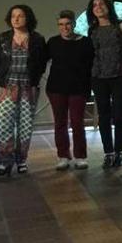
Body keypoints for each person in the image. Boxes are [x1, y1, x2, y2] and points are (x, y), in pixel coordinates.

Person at [0, 5, 47, 176]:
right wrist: (2, 78)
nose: (16, 19)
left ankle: (21, 160)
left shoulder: (37, 39)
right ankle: (5, 162)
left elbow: (42, 63)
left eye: (20, 16)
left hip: (28, 89)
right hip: (7, 88)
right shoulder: (2, 38)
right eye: (13, 16)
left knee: (25, 126)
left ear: (28, 18)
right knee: (5, 126)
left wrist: (34, 78)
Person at [87, 0, 122, 169]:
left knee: (119, 116)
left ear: (109, 6)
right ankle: (108, 153)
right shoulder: (92, 29)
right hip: (98, 77)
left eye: (101, 4)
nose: (98, 7)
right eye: (95, 5)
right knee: (104, 116)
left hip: (119, 76)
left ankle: (119, 152)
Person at [46, 10, 94, 171]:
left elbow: (91, 67)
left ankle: (80, 156)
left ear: (73, 24)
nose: (64, 27)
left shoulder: (86, 42)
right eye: (61, 25)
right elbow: (41, 62)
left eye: (67, 24)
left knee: (77, 122)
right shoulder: (52, 42)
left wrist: (89, 89)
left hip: (78, 89)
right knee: (60, 123)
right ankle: (63, 156)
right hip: (56, 88)